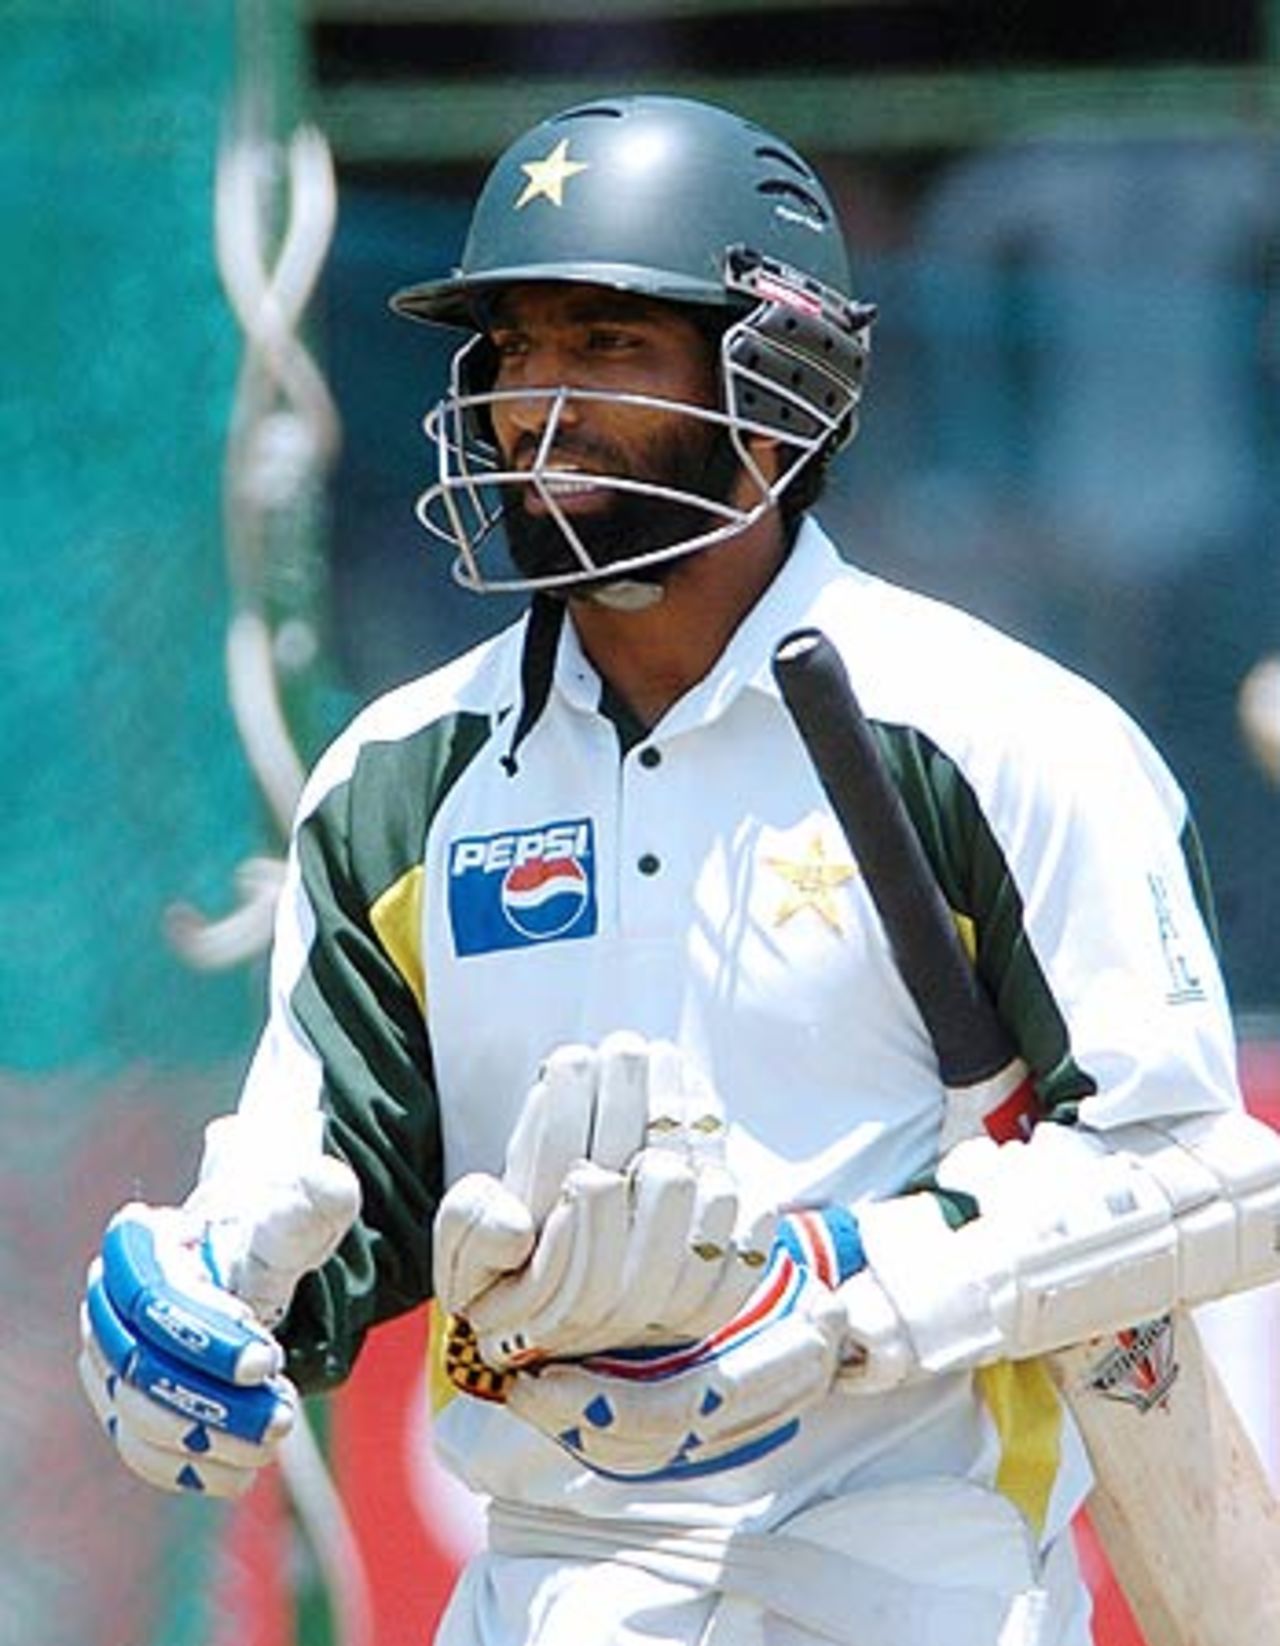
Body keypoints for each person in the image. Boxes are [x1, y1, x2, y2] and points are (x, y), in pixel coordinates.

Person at [78, 93, 1280, 1646]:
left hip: (915, 1594)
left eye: (608, 346)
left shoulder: (998, 736)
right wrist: (210, 1286)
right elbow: (343, 1190)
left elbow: (1191, 1175)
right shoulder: (401, 777)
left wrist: (833, 1291)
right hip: (536, 1587)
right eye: (511, 351)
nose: (535, 405)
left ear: (774, 387)